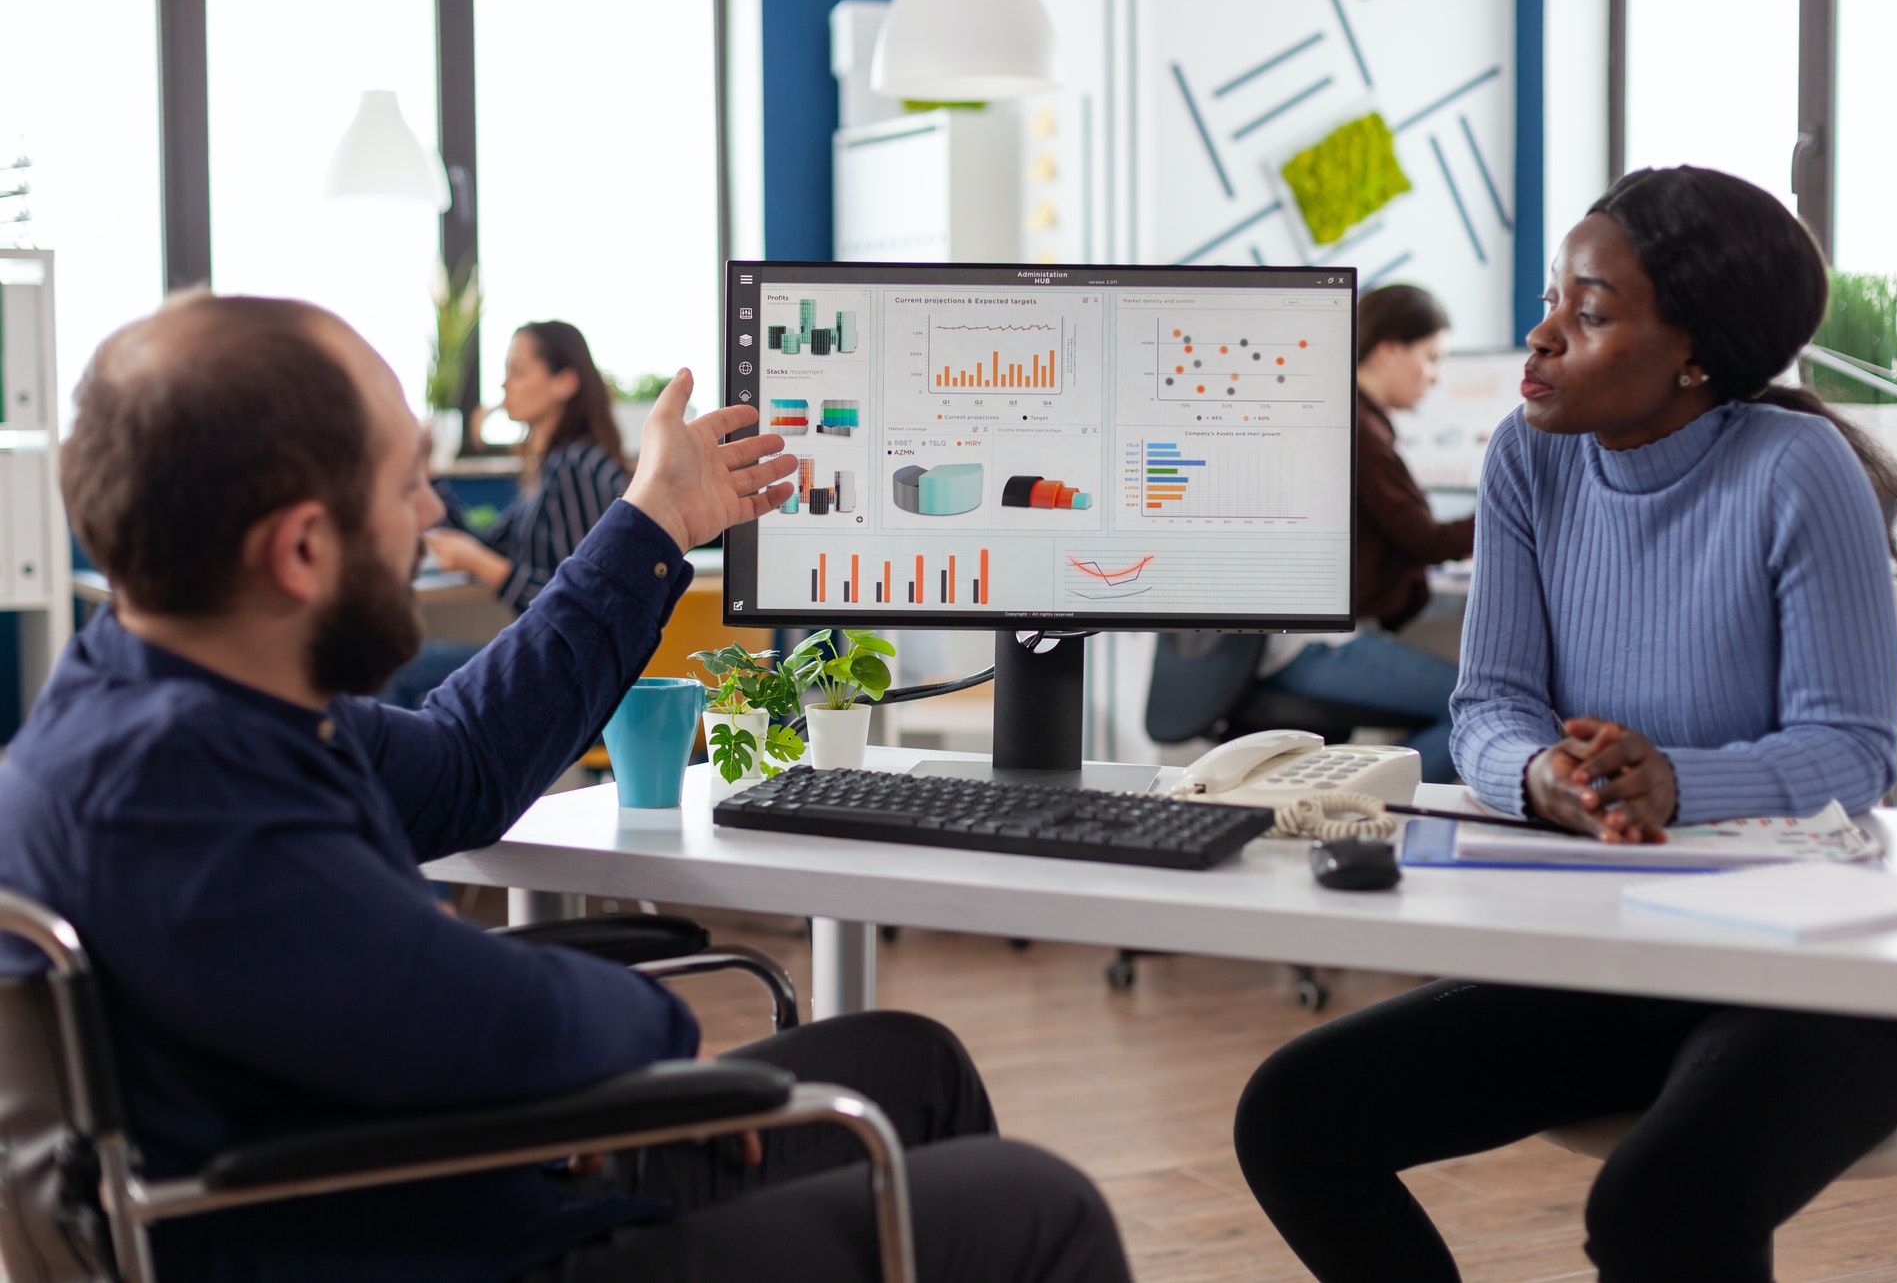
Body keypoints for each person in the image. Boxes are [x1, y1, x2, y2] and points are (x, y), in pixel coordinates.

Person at [0, 294, 1131, 1283]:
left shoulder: (184, 705)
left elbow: (466, 763)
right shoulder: (182, 800)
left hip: (442, 1185)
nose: (436, 517)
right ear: (300, 550)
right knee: (1040, 1207)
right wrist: (646, 1031)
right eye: (407, 488)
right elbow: (481, 1019)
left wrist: (653, 527)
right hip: (459, 1248)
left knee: (905, 1065)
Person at [1234, 168, 1897, 1282]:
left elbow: (1850, 754)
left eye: (1590, 311)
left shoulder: (1796, 469)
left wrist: (1672, 781)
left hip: (1817, 974)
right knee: (1292, 1116)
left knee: (1662, 1203)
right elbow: (1489, 706)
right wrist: (1540, 776)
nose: (1542, 332)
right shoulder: (1529, 457)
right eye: (1555, 296)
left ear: (1693, 355)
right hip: (1611, 949)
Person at [1256, 284, 1473, 782]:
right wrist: (1515, 511)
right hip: (1314, 647)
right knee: (1476, 705)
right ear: (1390, 350)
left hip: (1309, 639)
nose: (1434, 377)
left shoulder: (1349, 417)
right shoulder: (1356, 426)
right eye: (1431, 358)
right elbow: (1423, 539)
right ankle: (1356, 802)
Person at [428, 321, 630, 612]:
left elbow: (584, 600)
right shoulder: (551, 466)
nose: (504, 384)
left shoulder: (575, 466)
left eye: (518, 372)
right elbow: (486, 545)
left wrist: (484, 566)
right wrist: (426, 473)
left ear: (565, 381)